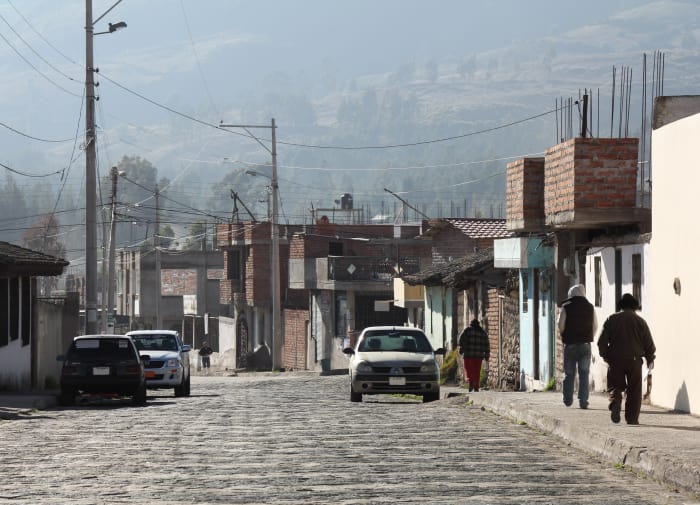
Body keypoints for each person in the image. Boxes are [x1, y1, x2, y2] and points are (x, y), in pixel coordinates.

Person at [597, 293, 656, 425]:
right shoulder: (641, 322)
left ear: (621, 306)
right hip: (635, 361)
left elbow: (601, 341)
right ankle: (632, 418)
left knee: (616, 385)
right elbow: (649, 344)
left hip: (615, 359)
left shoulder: (611, 319)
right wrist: (650, 358)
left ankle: (615, 402)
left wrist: (605, 355)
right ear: (635, 306)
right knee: (634, 390)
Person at [557, 284, 597, 409]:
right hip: (585, 345)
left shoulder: (566, 307)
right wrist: (588, 336)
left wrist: (565, 334)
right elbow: (595, 325)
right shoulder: (590, 307)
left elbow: (560, 324)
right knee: (584, 373)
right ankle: (583, 401)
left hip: (570, 344)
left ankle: (568, 399)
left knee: (569, 373)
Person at [458, 319, 490, 392]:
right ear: (478, 324)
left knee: (468, 369)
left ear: (471, 324)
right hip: (478, 356)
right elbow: (487, 344)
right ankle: (476, 387)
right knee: (477, 371)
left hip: (468, 355)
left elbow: (460, 339)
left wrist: (461, 348)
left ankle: (470, 381)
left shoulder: (467, 331)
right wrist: (487, 354)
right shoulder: (482, 332)